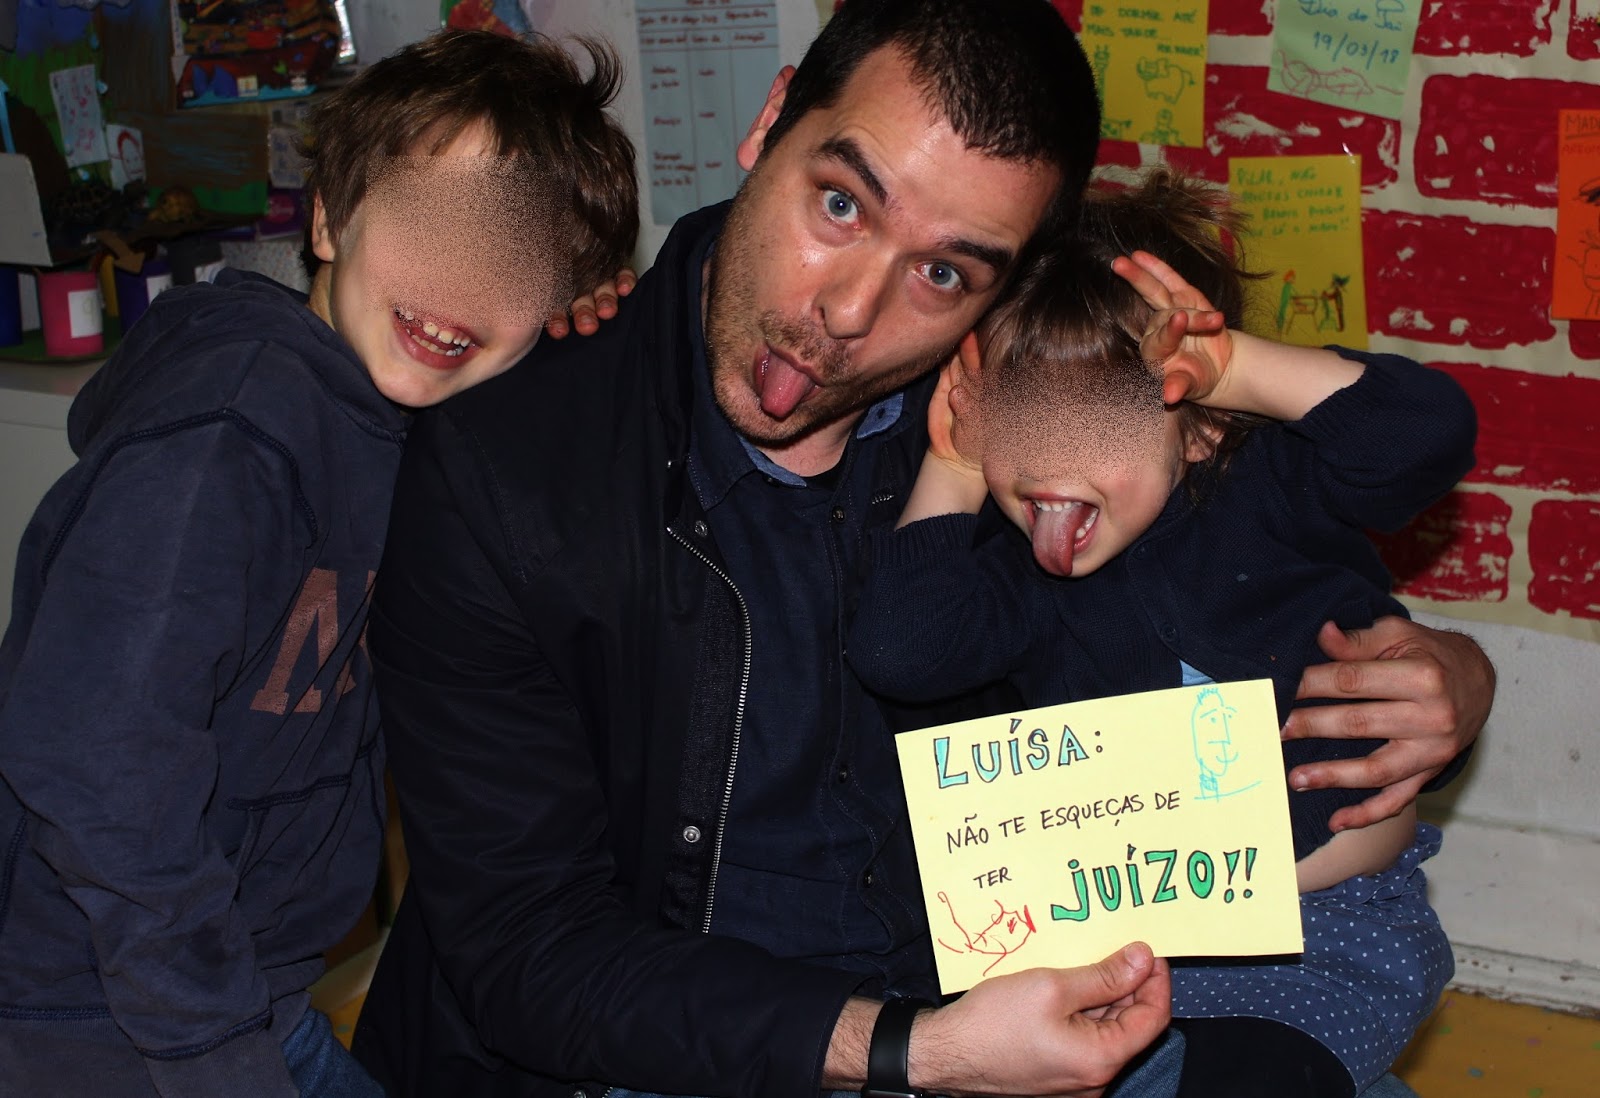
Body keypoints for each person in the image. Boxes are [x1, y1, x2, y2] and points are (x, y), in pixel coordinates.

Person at [352, 3, 1494, 1096]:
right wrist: (921, 1052)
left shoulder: (1035, 421)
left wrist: (1443, 679)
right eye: (840, 204)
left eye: (944, 272)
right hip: (656, 1052)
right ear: (771, 120)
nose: (849, 310)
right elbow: (532, 954)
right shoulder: (505, 466)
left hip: (1042, 997)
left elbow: (1260, 577)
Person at [0, 29, 637, 1097]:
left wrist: (573, 344)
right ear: (331, 218)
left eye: (514, 256)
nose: (458, 279)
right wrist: (216, 1055)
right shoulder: (236, 427)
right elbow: (96, 759)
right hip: (98, 1015)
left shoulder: (410, 427)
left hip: (249, 989)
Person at [847, 169, 1476, 1097]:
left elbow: (1426, 435)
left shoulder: (1269, 493)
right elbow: (899, 650)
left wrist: (1244, 371)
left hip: (1322, 935)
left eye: (1097, 427)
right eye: (1018, 426)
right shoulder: (1022, 577)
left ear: (1200, 427)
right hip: (1109, 947)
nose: (1049, 467)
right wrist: (955, 467)